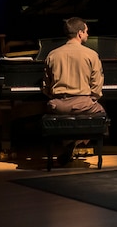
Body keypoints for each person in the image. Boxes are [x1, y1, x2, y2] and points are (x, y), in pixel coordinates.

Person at [41, 16, 106, 166]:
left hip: (58, 105)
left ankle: (68, 143)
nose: (88, 35)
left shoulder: (52, 55)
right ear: (80, 33)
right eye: (86, 32)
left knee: (54, 109)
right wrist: (91, 99)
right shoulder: (91, 54)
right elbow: (96, 86)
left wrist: (57, 97)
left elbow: (46, 86)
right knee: (101, 114)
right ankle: (76, 141)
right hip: (83, 103)